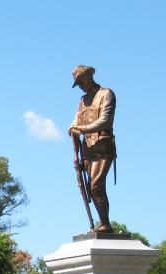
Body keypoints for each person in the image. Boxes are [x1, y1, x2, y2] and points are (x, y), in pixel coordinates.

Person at [68, 65, 116, 232]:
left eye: (81, 81)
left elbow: (105, 120)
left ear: (89, 77)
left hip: (103, 147)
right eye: (78, 83)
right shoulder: (82, 101)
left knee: (95, 185)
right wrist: (73, 128)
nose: (80, 85)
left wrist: (83, 129)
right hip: (87, 150)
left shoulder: (106, 94)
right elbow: (76, 122)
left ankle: (105, 224)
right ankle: (103, 223)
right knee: (91, 188)